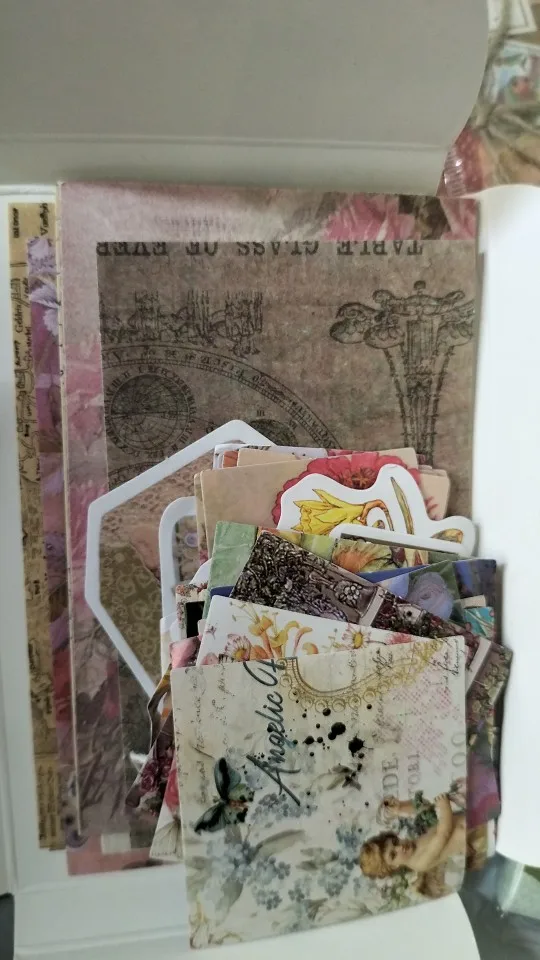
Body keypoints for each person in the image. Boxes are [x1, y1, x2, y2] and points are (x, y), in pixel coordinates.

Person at [359, 792, 466, 894]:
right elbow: (443, 835)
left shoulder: (416, 841)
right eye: (393, 855)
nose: (400, 847)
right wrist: (444, 807)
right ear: (394, 866)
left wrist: (401, 807)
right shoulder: (419, 863)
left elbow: (425, 810)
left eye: (395, 842)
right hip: (468, 836)